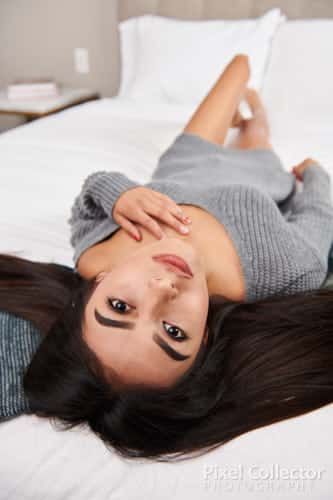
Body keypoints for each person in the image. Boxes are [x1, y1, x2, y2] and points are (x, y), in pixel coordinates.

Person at [1, 54, 333, 460]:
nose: (162, 288)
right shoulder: (284, 269)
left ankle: (247, 102)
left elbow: (88, 200)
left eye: (121, 306)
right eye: (173, 332)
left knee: (240, 65)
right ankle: (255, 119)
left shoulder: (96, 258)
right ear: (204, 338)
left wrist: (119, 193)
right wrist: (316, 174)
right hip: (261, 174)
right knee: (258, 136)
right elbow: (318, 217)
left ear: (97, 285)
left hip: (184, 160)